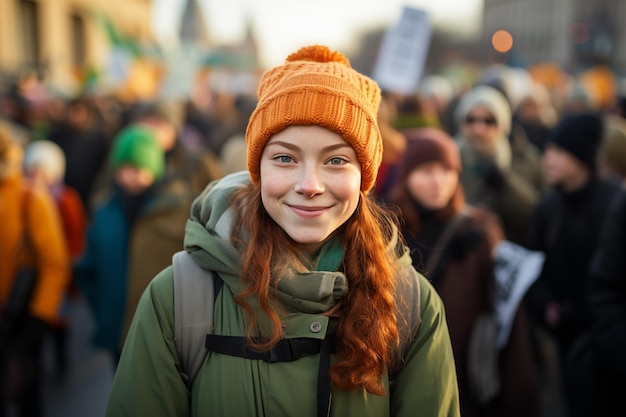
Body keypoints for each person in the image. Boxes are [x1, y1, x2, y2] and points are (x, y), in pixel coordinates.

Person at [106, 45, 460, 417]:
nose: (310, 184)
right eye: (285, 158)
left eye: (336, 160)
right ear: (259, 169)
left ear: (364, 178)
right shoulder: (177, 298)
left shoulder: (410, 306)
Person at [387, 127, 539, 417]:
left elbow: (507, 322)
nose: (438, 181)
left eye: (448, 171)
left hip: (465, 379)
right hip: (398, 374)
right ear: (406, 176)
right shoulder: (386, 230)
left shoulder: (480, 230)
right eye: (427, 170)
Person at [524, 112, 622, 416]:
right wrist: (546, 307)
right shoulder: (548, 207)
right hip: (564, 337)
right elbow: (533, 267)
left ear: (582, 157)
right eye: (548, 150)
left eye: (559, 152)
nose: (548, 159)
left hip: (611, 340)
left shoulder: (614, 202)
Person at [75, 125, 169, 364]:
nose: (132, 175)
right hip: (116, 326)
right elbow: (88, 266)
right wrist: (103, 309)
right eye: (126, 168)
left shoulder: (173, 209)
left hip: (162, 329)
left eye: (140, 168)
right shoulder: (104, 209)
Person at [0, 121, 71, 416]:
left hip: (18, 320)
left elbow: (55, 264)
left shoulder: (29, 195)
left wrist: (36, 320)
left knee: (24, 397)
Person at [23, 139, 88, 379]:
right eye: (33, 170)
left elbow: (76, 234)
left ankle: (61, 360)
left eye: (43, 171)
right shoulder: (26, 197)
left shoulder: (66, 199)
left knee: (59, 319)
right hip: (34, 268)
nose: (37, 176)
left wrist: (72, 263)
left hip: (60, 266)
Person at [454, 85, 545, 246]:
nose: (479, 129)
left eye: (489, 121)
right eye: (471, 120)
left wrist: (505, 184)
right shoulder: (449, 158)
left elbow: (538, 214)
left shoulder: (525, 157)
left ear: (502, 124)